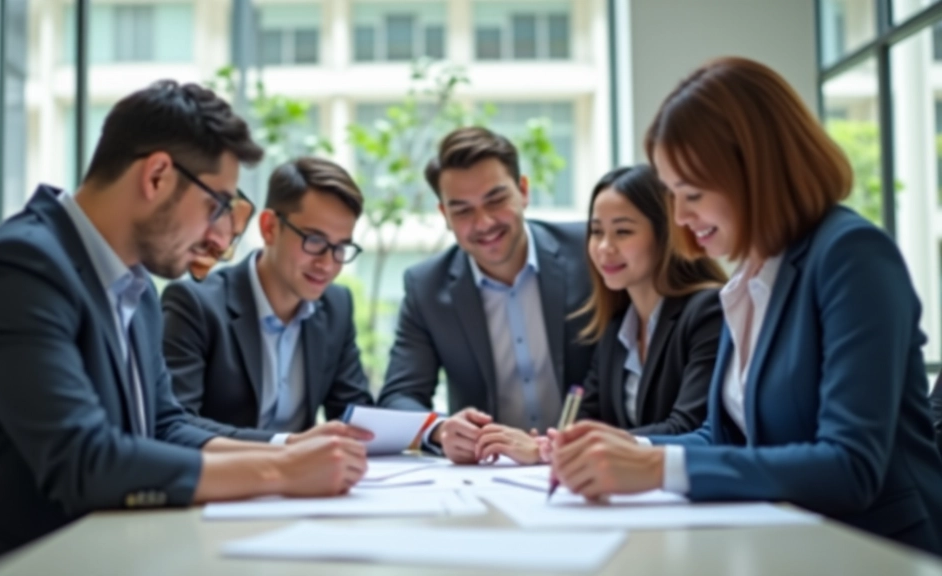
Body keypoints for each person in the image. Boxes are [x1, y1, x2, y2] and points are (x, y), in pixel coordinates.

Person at [0, 81, 366, 576]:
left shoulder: (135, 289)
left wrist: (288, 446)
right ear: (156, 176)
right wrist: (281, 471)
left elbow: (163, 425)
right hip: (9, 560)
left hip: (105, 550)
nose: (218, 236)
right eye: (216, 205)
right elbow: (83, 462)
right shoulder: (20, 267)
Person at [551, 57, 942, 554]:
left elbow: (851, 466)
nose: (679, 217)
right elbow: (726, 436)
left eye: (691, 194)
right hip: (787, 542)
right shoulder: (753, 277)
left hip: (876, 551)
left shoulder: (850, 255)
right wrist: (629, 450)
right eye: (672, 195)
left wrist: (656, 468)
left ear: (755, 172)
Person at [478, 165, 725, 465]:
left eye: (623, 231)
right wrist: (548, 445)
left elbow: (690, 427)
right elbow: (583, 423)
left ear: (666, 235)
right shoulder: (616, 326)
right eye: (596, 232)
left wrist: (563, 448)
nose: (604, 247)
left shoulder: (707, 311)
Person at [376, 126, 593, 464]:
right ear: (444, 216)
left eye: (496, 200)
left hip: (589, 462)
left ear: (523, 191)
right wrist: (440, 429)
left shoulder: (589, 253)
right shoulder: (426, 287)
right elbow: (398, 397)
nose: (484, 222)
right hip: (489, 474)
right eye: (462, 210)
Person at [162, 157, 374, 444]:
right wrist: (285, 446)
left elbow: (357, 416)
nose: (327, 264)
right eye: (314, 240)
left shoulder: (336, 305)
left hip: (308, 485)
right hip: (227, 481)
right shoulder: (195, 305)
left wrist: (432, 432)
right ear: (270, 228)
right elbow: (176, 425)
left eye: (341, 247)